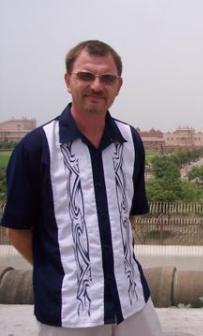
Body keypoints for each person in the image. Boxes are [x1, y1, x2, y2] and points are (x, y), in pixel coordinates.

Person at [1, 40, 161, 335]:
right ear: (68, 80)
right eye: (86, 76)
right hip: (69, 310)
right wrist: (63, 271)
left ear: (118, 85)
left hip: (132, 301)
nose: (96, 86)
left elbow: (128, 215)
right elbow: (17, 230)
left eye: (107, 78)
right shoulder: (36, 147)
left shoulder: (130, 141)